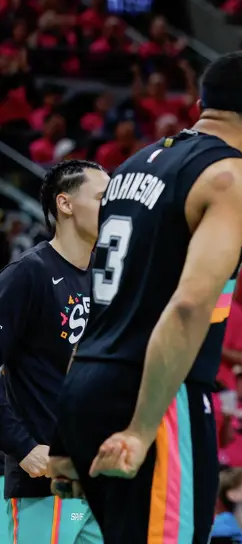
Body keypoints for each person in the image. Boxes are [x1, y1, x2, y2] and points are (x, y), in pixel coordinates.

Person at [49, 51, 242, 544]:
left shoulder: (131, 168)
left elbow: (100, 304)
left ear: (202, 105)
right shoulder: (234, 176)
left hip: (86, 380)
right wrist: (141, 427)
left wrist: (64, 435)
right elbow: (190, 304)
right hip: (155, 391)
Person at [0, 160, 109, 544]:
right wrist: (22, 446)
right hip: (42, 483)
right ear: (65, 204)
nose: (111, 205)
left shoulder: (106, 278)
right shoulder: (27, 274)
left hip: (99, 481)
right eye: (100, 196)